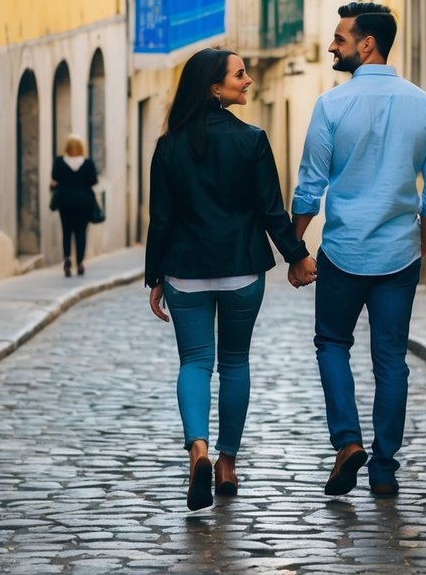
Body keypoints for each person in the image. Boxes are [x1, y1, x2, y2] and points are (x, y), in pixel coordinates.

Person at [290, 2, 426, 499]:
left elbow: (309, 187)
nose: (333, 46)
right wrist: (418, 248)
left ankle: (347, 443)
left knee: (332, 344)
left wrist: (296, 248)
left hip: (342, 252)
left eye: (340, 38)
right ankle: (384, 467)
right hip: (399, 255)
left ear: (366, 44)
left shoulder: (331, 106)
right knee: (391, 361)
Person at [146, 47, 317, 511]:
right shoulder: (252, 140)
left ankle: (196, 450)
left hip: (185, 270)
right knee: (235, 362)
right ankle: (225, 464)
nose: (248, 81)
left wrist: (154, 275)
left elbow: (160, 219)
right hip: (242, 270)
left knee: (195, 363)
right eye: (239, 75)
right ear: (214, 88)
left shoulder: (168, 146)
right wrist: (297, 256)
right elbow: (269, 209)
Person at [50, 134, 98, 277]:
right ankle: (80, 262)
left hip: (65, 200)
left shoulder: (59, 162)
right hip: (84, 201)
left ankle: (67, 259)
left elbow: (55, 178)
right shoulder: (88, 163)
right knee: (81, 232)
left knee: (66, 230)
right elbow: (93, 180)